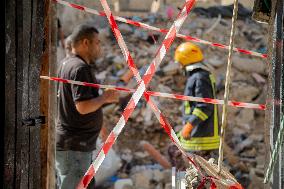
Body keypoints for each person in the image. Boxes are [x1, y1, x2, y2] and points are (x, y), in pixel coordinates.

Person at [55, 24, 119, 189]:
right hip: (75, 146)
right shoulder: (80, 68)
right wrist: (105, 97)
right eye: (97, 43)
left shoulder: (67, 63)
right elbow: (82, 107)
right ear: (85, 43)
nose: (99, 47)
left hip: (75, 144)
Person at [168, 42, 220, 170]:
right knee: (173, 150)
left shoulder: (199, 77)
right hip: (199, 134)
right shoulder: (199, 76)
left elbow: (204, 106)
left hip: (201, 138)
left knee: (182, 160)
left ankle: (182, 185)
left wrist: (189, 126)